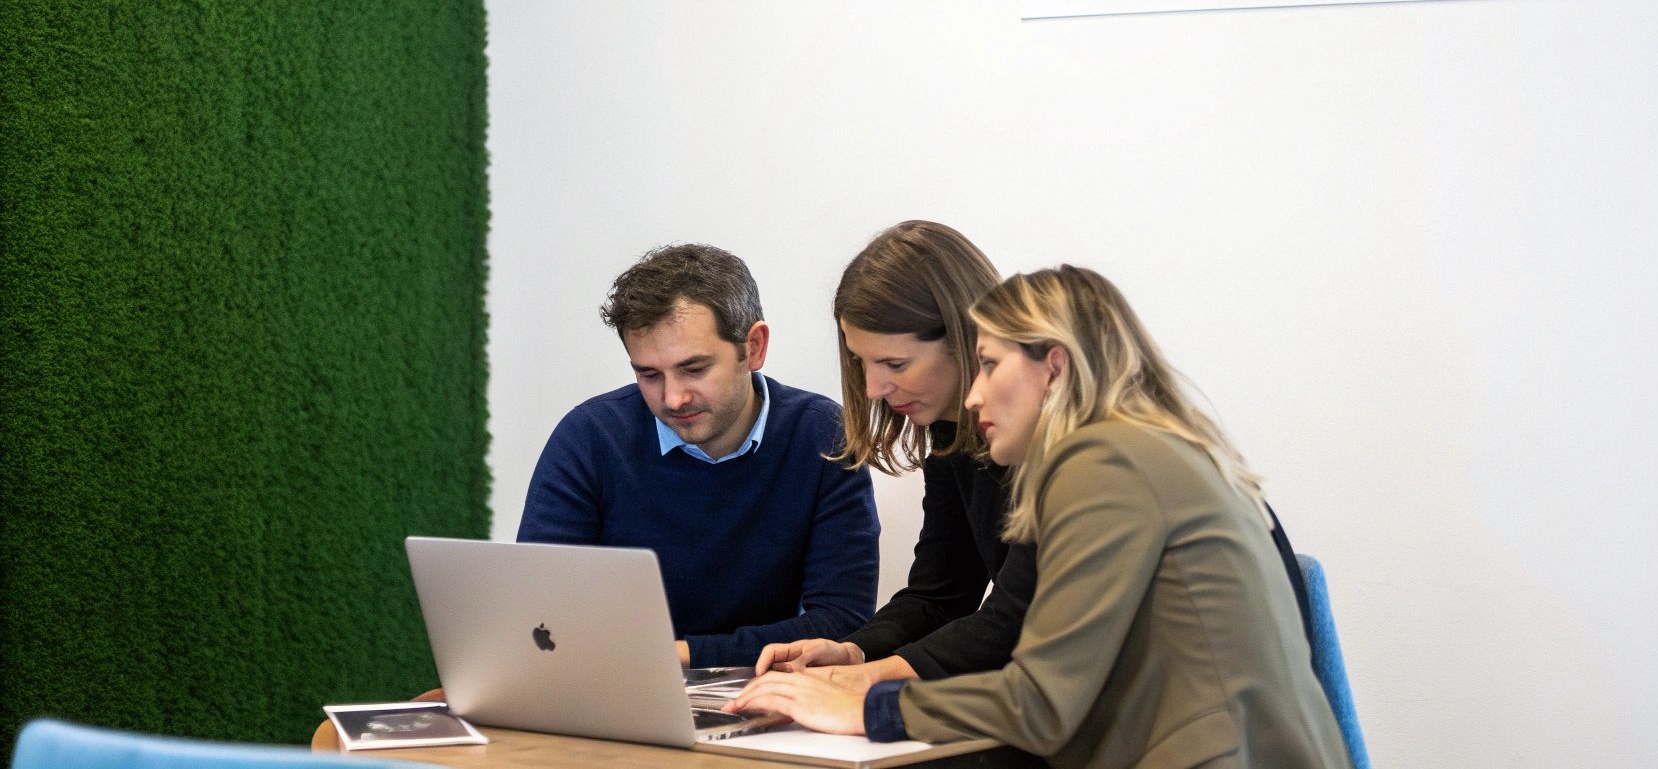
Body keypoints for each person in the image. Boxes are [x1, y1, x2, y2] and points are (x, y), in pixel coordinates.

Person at [729, 266, 1350, 769]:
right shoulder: (1146, 447)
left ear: (1054, 366)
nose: (973, 395)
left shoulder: (1105, 464)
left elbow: (1041, 698)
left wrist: (870, 704)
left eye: (991, 365)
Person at [517, 243, 880, 668]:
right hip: (616, 683)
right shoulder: (590, 438)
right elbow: (541, 613)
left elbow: (842, 621)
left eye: (694, 369)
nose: (673, 398)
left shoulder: (822, 434)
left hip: (761, 693)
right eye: (648, 374)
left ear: (755, 347)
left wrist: (680, 655)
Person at [754, 221, 1038, 689]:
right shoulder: (949, 436)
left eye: (895, 364)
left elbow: (1019, 616)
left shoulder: (1057, 446)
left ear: (966, 338)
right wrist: (853, 651)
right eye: (862, 362)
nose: (872, 389)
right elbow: (939, 594)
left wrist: (866, 679)